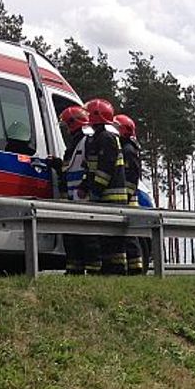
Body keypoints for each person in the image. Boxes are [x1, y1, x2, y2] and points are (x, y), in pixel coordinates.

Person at [81, 98, 131, 274]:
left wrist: (95, 189)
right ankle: (109, 271)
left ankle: (117, 272)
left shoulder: (107, 138)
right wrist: (85, 185)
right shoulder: (95, 138)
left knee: (114, 241)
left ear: (97, 116)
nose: (86, 116)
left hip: (112, 198)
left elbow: (105, 169)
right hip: (103, 196)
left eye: (89, 113)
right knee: (105, 238)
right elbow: (91, 167)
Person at [59, 105, 100, 274]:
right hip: (74, 196)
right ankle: (74, 271)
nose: (66, 129)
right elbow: (68, 167)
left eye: (66, 125)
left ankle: (93, 271)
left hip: (84, 196)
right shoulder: (76, 142)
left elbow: (92, 167)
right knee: (72, 236)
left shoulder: (87, 140)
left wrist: (85, 186)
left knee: (88, 237)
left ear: (72, 123)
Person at [113, 113, 145, 274]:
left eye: (117, 128)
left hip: (128, 199)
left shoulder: (128, 150)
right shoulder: (124, 148)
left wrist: (127, 194)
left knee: (130, 236)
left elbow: (132, 177)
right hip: (125, 197)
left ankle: (136, 268)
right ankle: (130, 268)